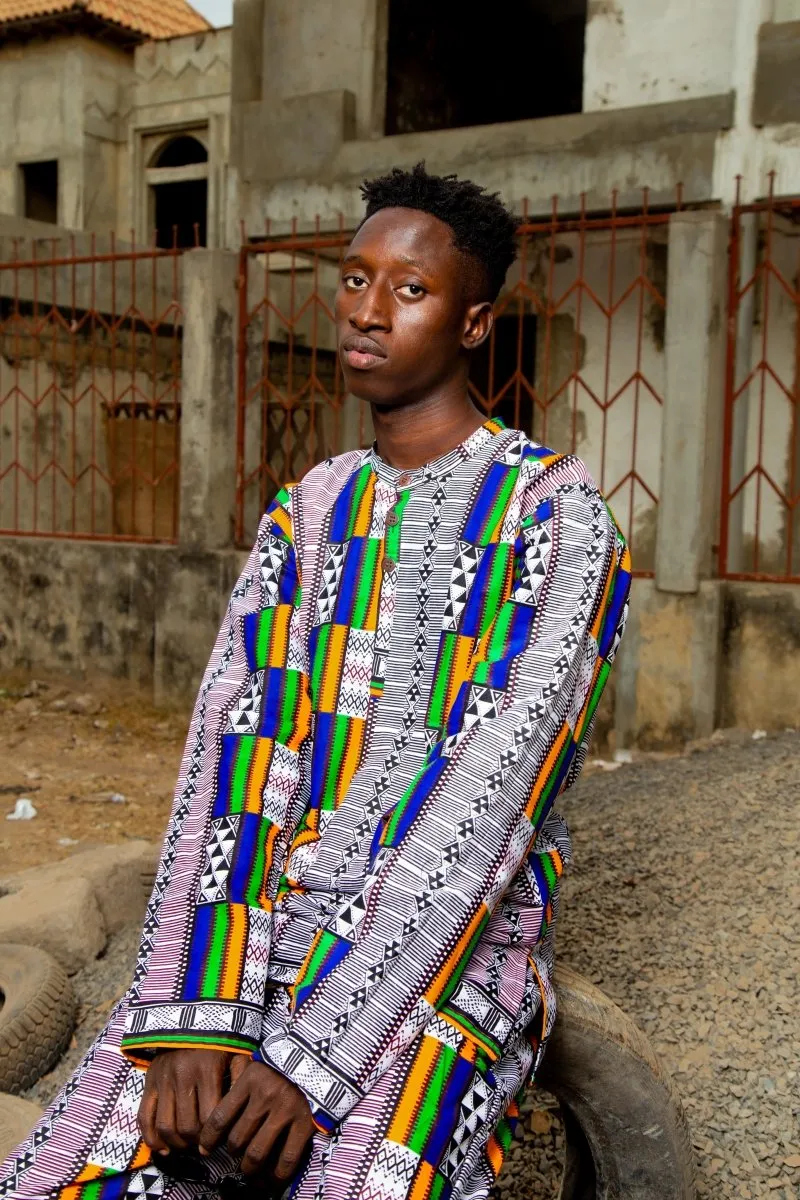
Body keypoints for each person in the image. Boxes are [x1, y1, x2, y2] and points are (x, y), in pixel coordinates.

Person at [0, 163, 630, 1200]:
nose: (367, 311)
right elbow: (232, 753)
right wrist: (199, 1016)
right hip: (257, 936)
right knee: (81, 1171)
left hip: (444, 962)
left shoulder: (556, 520)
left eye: (408, 290)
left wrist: (313, 1060)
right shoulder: (309, 507)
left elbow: (489, 800)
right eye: (352, 278)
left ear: (473, 324)